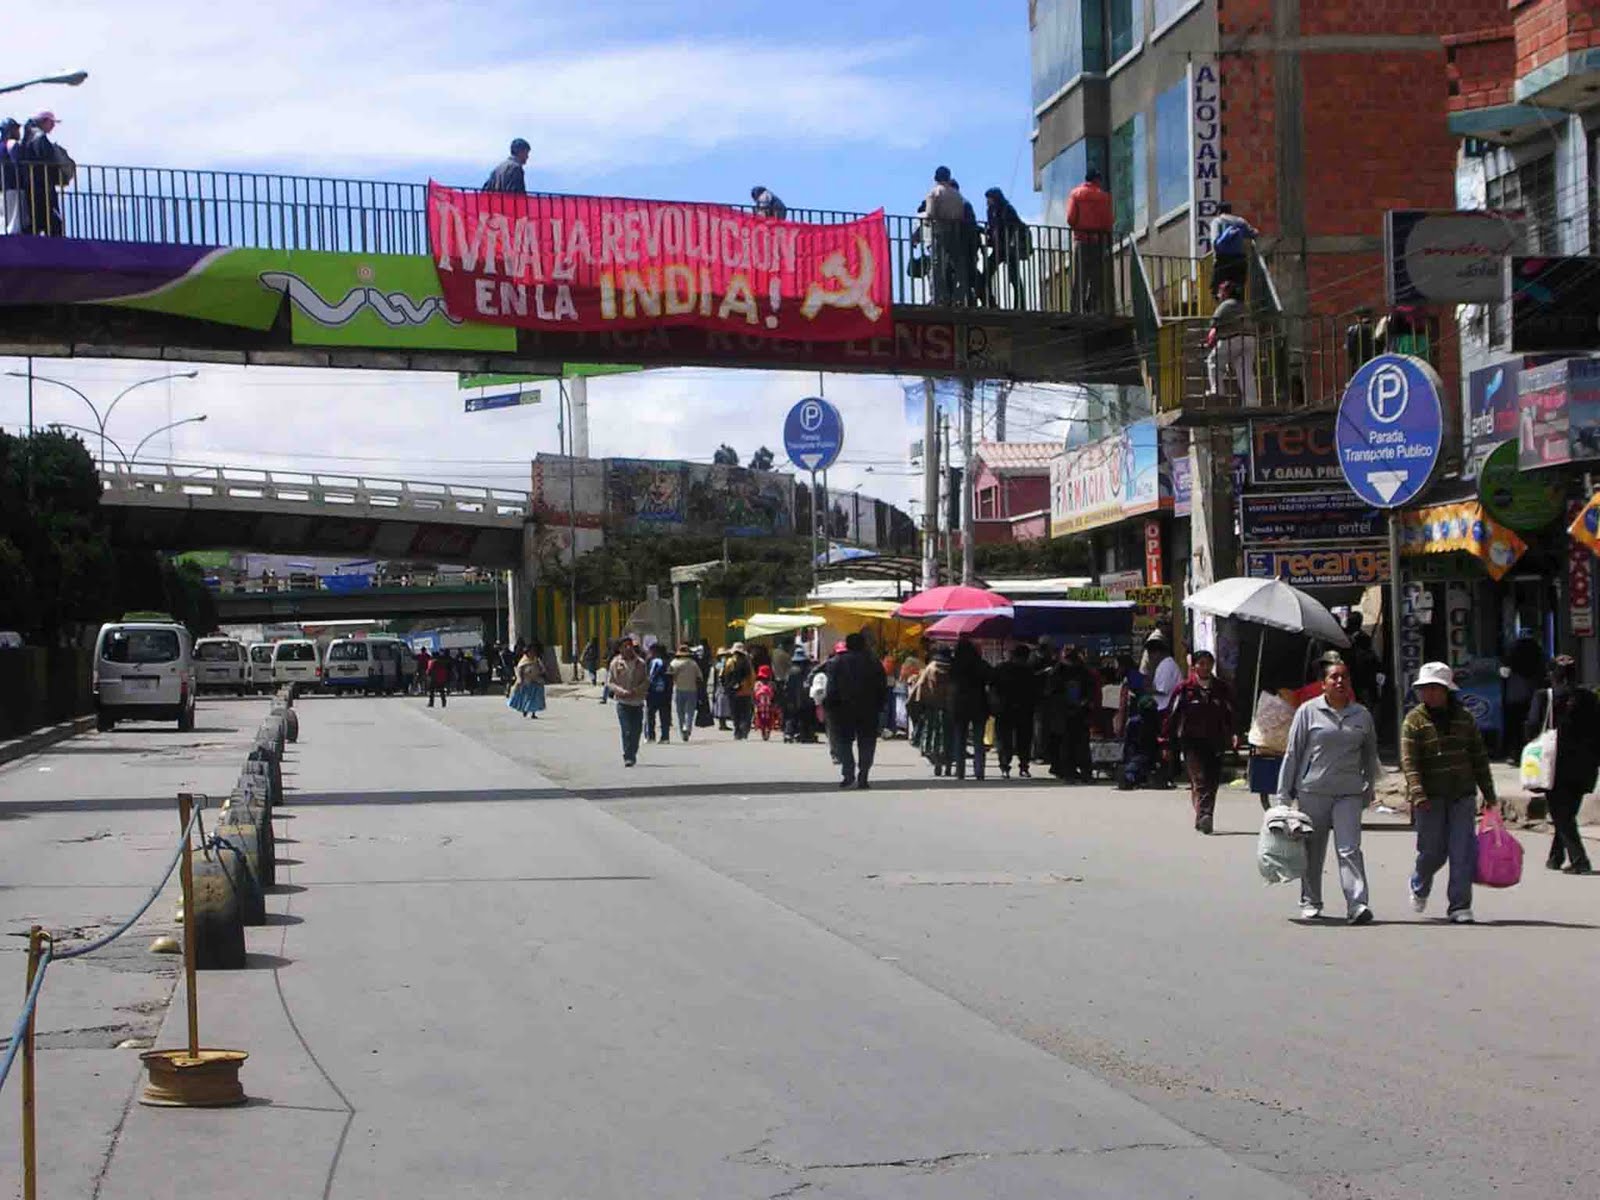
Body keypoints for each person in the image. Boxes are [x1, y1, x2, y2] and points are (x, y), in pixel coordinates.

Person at [1276, 660, 1379, 924]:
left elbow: (1369, 755)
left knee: (1349, 849)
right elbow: (1293, 753)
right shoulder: (1308, 712)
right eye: (1334, 677)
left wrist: (1369, 786)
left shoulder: (1362, 715)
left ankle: (1357, 904)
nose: (1340, 682)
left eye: (1344, 677)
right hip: (1313, 791)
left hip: (1349, 793)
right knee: (1313, 849)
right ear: (1323, 684)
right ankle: (1311, 901)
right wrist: (1283, 796)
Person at [1403, 662, 1500, 923]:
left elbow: (1479, 758)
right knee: (1433, 851)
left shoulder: (1465, 718)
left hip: (1462, 795)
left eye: (1435, 688)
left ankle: (1459, 905)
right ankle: (1419, 882)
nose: (1430, 694)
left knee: (1462, 851)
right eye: (1425, 689)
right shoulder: (1414, 721)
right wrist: (1417, 792)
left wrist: (1490, 796)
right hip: (1429, 799)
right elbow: (1409, 761)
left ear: (1447, 691)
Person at [1526, 656, 1598, 875]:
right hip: (1586, 766)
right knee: (1566, 812)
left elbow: (1531, 727)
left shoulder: (1544, 697)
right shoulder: (1590, 697)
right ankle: (1555, 857)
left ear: (1551, 675)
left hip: (1553, 764)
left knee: (1561, 814)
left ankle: (1580, 860)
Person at [1163, 649, 1235, 834]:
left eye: (1208, 663)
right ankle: (1205, 816)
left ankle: (1203, 815)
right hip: (1192, 742)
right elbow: (1172, 716)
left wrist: (1234, 733)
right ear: (1194, 666)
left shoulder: (1221, 688)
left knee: (1212, 782)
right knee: (1200, 780)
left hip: (1216, 741)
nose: (1205, 667)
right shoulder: (1184, 689)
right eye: (1201, 663)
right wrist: (1166, 742)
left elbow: (1230, 714)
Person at [822, 632, 888, 789]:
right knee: (867, 743)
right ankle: (863, 774)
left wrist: (829, 706)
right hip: (869, 709)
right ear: (864, 644)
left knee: (844, 742)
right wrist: (881, 706)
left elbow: (831, 688)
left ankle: (848, 773)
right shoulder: (874, 662)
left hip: (842, 709)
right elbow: (882, 687)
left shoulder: (836, 662)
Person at [1065, 167, 1114, 314]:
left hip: (1081, 240)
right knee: (1096, 278)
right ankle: (1092, 306)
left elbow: (1070, 218)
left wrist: (1078, 228)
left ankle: (1076, 309)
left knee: (1079, 278)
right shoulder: (1104, 197)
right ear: (1097, 180)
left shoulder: (1076, 194)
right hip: (1097, 241)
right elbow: (1108, 221)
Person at [990, 643, 1039, 779]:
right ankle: (1024, 766)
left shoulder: (1001, 668)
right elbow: (1034, 692)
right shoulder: (1029, 671)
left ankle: (1005, 766)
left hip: (1004, 709)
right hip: (1024, 709)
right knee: (1024, 739)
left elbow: (992, 686)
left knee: (1004, 739)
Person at [18, 112, 71, 237]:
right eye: (52, 122)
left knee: (36, 221)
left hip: (30, 186)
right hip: (43, 187)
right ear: (44, 121)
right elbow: (48, 161)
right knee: (53, 223)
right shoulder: (40, 138)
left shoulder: (26, 138)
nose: (53, 126)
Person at [1206, 279, 1258, 407]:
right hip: (1250, 339)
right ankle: (1251, 402)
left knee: (1213, 361)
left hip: (1233, 339)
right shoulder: (1244, 306)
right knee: (1245, 372)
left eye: (1220, 292)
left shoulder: (1225, 305)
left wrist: (1213, 335)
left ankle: (1217, 390)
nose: (1219, 296)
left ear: (1226, 293)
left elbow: (1213, 323)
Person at [948, 638, 991, 781]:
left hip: (959, 705)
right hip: (978, 704)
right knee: (978, 739)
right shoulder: (980, 664)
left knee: (959, 738)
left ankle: (960, 771)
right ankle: (979, 770)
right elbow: (991, 678)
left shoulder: (954, 665)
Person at [922, 167, 966, 306]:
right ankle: (958, 297)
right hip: (956, 231)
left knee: (936, 267)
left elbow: (929, 214)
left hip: (940, 230)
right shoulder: (958, 195)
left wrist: (926, 222)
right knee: (958, 266)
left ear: (936, 178)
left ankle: (938, 297)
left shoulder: (934, 192)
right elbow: (961, 214)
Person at [982, 187, 1031, 310]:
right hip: (999, 247)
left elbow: (1016, 226)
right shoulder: (991, 210)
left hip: (1010, 248)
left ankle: (1020, 305)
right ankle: (989, 301)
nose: (987, 201)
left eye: (989, 198)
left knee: (1014, 277)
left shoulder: (1007, 209)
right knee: (987, 274)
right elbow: (993, 228)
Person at [911, 648, 954, 775]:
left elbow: (920, 687)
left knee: (934, 737)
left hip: (932, 708)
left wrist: (917, 706)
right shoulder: (953, 668)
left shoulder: (930, 668)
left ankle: (938, 763)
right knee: (949, 737)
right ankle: (948, 766)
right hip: (949, 709)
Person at [607, 638, 649, 767]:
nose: (628, 648)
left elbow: (646, 681)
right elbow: (610, 682)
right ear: (620, 648)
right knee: (627, 730)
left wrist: (636, 691)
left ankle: (633, 752)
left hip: (637, 702)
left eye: (630, 645)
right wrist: (621, 691)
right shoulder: (615, 663)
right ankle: (628, 756)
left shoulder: (640, 663)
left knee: (636, 730)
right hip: (623, 702)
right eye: (625, 646)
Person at [1502, 633, 1544, 764]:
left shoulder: (1511, 661)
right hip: (1532, 696)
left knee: (1515, 727)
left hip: (1514, 697)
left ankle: (1516, 754)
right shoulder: (1537, 656)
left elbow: (1504, 673)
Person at [1209, 202, 1258, 298]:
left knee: (1216, 289)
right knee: (1239, 288)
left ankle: (1221, 303)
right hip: (1239, 259)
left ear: (1219, 211)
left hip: (1222, 260)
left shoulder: (1217, 221)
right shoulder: (1240, 221)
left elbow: (1215, 241)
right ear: (1230, 210)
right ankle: (1238, 308)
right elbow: (1254, 233)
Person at [669, 644, 705, 742]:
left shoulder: (674, 663)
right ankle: (688, 729)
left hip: (679, 690)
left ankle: (682, 729)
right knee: (690, 712)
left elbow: (669, 675)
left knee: (680, 712)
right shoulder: (693, 663)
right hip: (692, 690)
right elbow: (700, 677)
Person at [724, 643, 756, 739]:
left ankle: (737, 730)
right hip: (745, 690)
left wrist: (727, 688)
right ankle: (744, 728)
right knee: (746, 712)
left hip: (733, 691)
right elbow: (752, 676)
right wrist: (751, 687)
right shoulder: (747, 662)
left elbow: (725, 676)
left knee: (735, 712)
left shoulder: (729, 662)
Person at [644, 642, 674, 743]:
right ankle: (665, 737)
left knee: (650, 715)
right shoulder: (668, 662)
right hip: (665, 693)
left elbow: (650, 676)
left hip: (653, 692)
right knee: (664, 716)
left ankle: (651, 736)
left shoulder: (654, 661)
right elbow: (670, 678)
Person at [506, 646, 547, 719]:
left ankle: (533, 713)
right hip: (527, 682)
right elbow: (519, 671)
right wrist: (520, 679)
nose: (532, 653)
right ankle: (525, 709)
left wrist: (540, 672)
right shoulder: (523, 661)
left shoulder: (536, 660)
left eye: (533, 652)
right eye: (530, 652)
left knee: (535, 698)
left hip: (536, 681)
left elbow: (543, 669)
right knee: (527, 698)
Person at [1, 117, 21, 235]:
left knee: (3, 217)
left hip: (2, 187)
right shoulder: (11, 144)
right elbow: (17, 161)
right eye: (16, 129)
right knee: (14, 218)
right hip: (12, 184)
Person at [753, 665, 781, 741]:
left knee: (760, 718)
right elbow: (775, 694)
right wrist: (776, 703)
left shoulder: (757, 684)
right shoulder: (772, 684)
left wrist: (754, 703)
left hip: (760, 705)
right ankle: (768, 730)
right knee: (770, 718)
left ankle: (762, 731)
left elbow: (754, 694)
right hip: (770, 705)